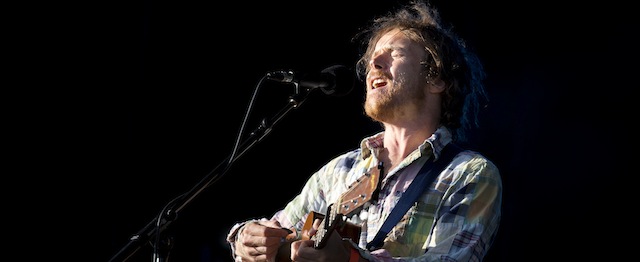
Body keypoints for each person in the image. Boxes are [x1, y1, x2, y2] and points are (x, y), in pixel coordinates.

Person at [226, 0, 502, 261]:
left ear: (436, 78)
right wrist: (246, 239)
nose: (374, 64)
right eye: (372, 58)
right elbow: (276, 231)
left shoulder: (469, 173)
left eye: (395, 53)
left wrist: (350, 257)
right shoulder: (340, 171)